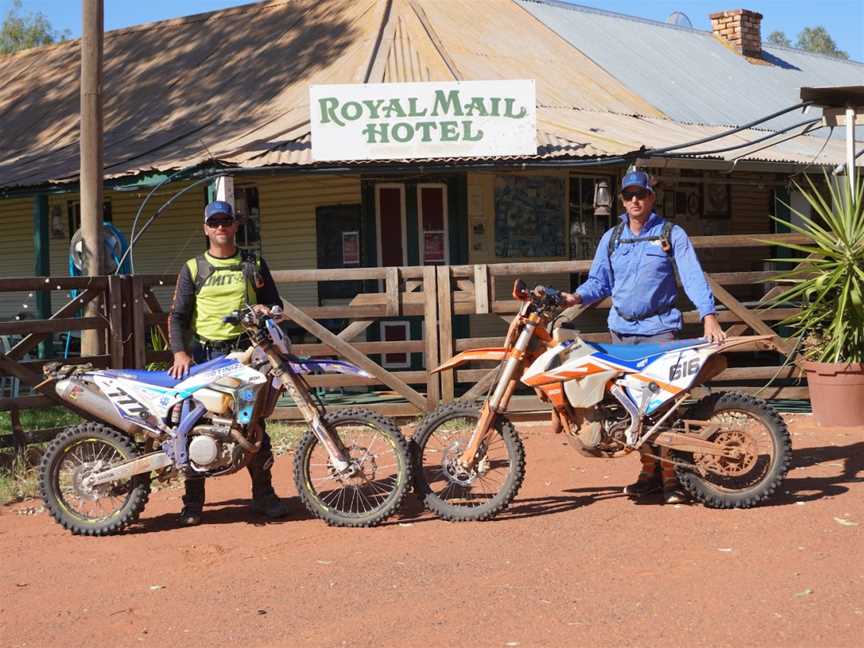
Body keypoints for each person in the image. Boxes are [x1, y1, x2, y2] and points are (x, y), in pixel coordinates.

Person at [562, 170, 726, 504]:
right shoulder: (612, 238)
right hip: (621, 333)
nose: (635, 200)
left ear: (651, 197)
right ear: (622, 201)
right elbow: (599, 283)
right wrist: (576, 297)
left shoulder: (671, 234)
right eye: (628, 195)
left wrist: (709, 316)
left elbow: (693, 276)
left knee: (661, 406)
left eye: (641, 194)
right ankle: (649, 473)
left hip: (660, 332)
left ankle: (673, 479)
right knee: (633, 409)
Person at [167, 200, 289, 526]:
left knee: (253, 425)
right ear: (206, 228)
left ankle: (264, 495)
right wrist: (180, 354)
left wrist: (267, 310)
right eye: (214, 222)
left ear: (235, 225)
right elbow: (177, 316)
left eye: (226, 221)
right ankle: (193, 504)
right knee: (194, 427)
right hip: (206, 359)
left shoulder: (253, 263)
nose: (221, 227)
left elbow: (275, 303)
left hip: (246, 357)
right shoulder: (193, 268)